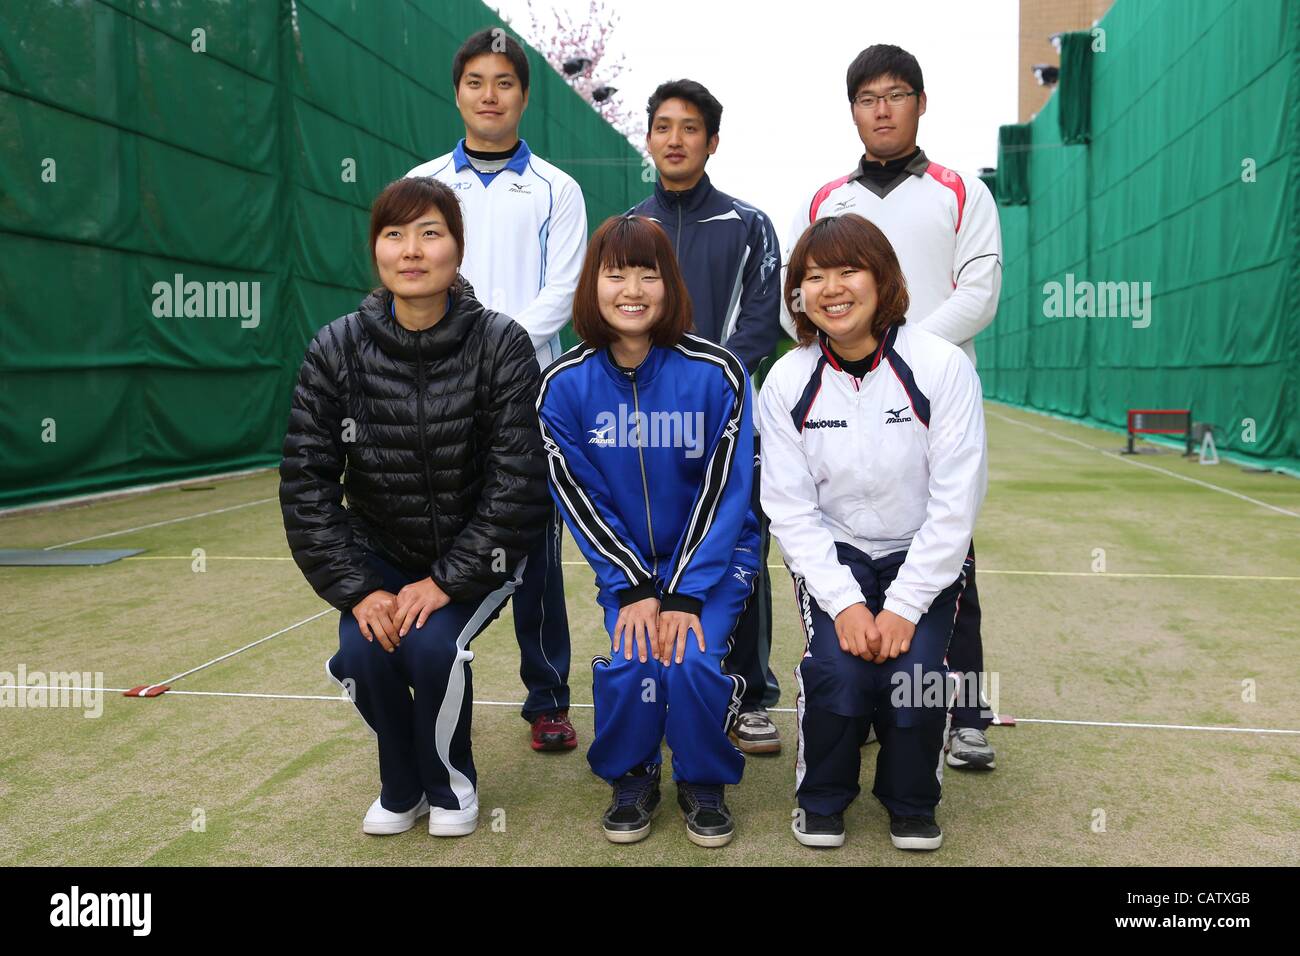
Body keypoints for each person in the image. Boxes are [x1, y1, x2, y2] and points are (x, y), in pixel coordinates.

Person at [279, 176, 550, 838]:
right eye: (394, 234)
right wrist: (360, 588)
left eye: (430, 233)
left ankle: (449, 783)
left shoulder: (501, 344)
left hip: (480, 555)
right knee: (368, 651)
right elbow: (307, 482)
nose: (411, 250)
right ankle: (401, 784)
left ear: (456, 249)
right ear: (377, 251)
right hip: (379, 554)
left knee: (430, 649)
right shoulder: (335, 347)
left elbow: (515, 483)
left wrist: (446, 579)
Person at [781, 43, 1002, 769]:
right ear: (853, 111)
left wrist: (897, 351)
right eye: (867, 97)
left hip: (932, 400)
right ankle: (865, 707)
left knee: (946, 554)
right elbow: (800, 300)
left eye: (896, 94)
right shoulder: (826, 200)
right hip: (849, 391)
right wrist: (860, 349)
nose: (881, 108)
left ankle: (965, 713)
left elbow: (979, 294)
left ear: (920, 103)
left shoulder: (960, 190)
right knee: (842, 557)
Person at [760, 213, 987, 850]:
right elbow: (790, 508)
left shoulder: (940, 366)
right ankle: (823, 797)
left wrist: (906, 606)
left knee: (915, 675)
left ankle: (911, 800)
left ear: (882, 279)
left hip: (923, 552)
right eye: (813, 276)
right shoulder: (786, 379)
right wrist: (848, 604)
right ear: (799, 295)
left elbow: (955, 503)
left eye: (848, 271)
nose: (831, 288)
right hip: (838, 552)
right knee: (838, 667)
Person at [536, 215, 759, 847]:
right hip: (627, 567)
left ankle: (701, 779)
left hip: (712, 563)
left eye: (648, 273)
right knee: (637, 663)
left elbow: (727, 491)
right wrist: (635, 585)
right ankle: (633, 774)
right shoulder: (562, 385)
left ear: (669, 285)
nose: (631, 289)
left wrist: (684, 592)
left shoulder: (718, 374)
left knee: (686, 662)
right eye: (615, 274)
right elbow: (579, 499)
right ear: (593, 285)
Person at [407, 28, 587, 752]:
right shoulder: (424, 184)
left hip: (528, 392)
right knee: (440, 542)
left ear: (524, 96)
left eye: (504, 82)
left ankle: (547, 698)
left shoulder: (557, 189)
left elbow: (565, 290)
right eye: (476, 81)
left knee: (533, 551)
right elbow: (412, 276)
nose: (490, 95)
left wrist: (495, 350)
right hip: (436, 390)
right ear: (458, 92)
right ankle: (440, 677)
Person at [628, 79, 784, 755]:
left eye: (689, 128)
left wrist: (704, 387)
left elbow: (760, 323)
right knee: (652, 549)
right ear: (649, 138)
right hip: (648, 426)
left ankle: (748, 694)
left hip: (727, 419)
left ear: (711, 141)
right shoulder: (631, 228)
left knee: (736, 549)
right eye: (663, 126)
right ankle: (658, 679)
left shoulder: (749, 225)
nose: (675, 139)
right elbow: (617, 314)